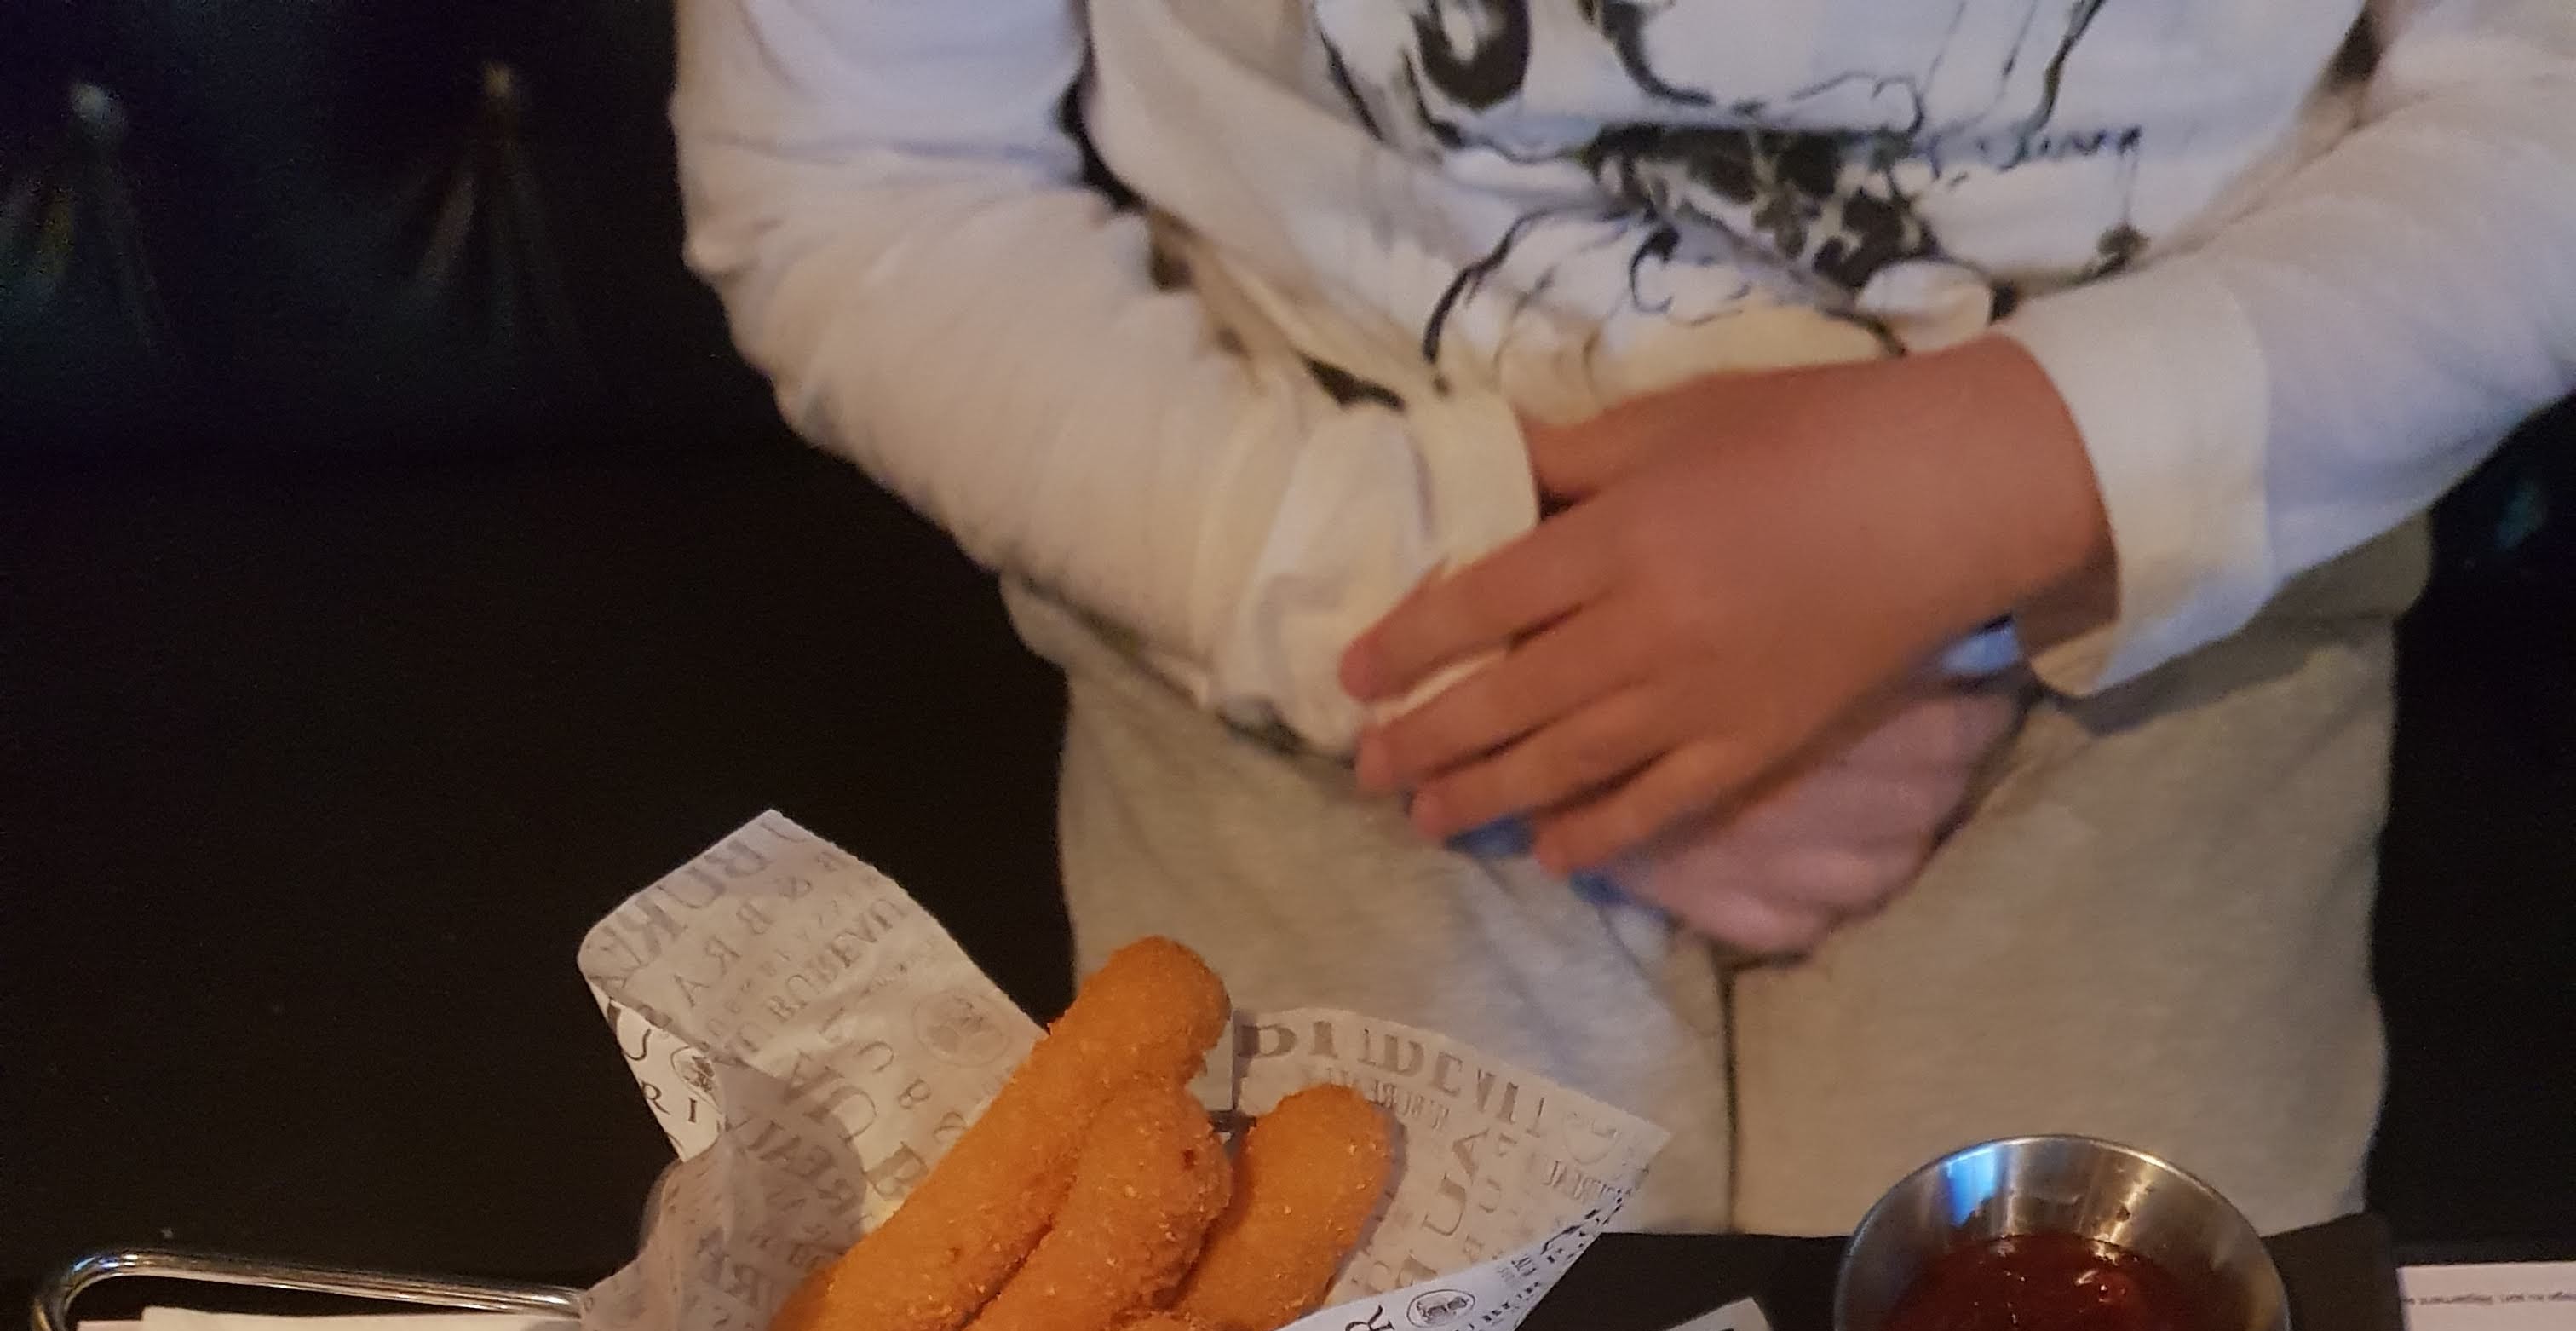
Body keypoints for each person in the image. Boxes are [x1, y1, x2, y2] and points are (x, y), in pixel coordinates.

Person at [670, 3, 2576, 1233]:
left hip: (2173, 532)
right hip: (1294, 512)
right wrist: (1444, 594)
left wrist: (1993, 487)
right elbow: (862, 179)